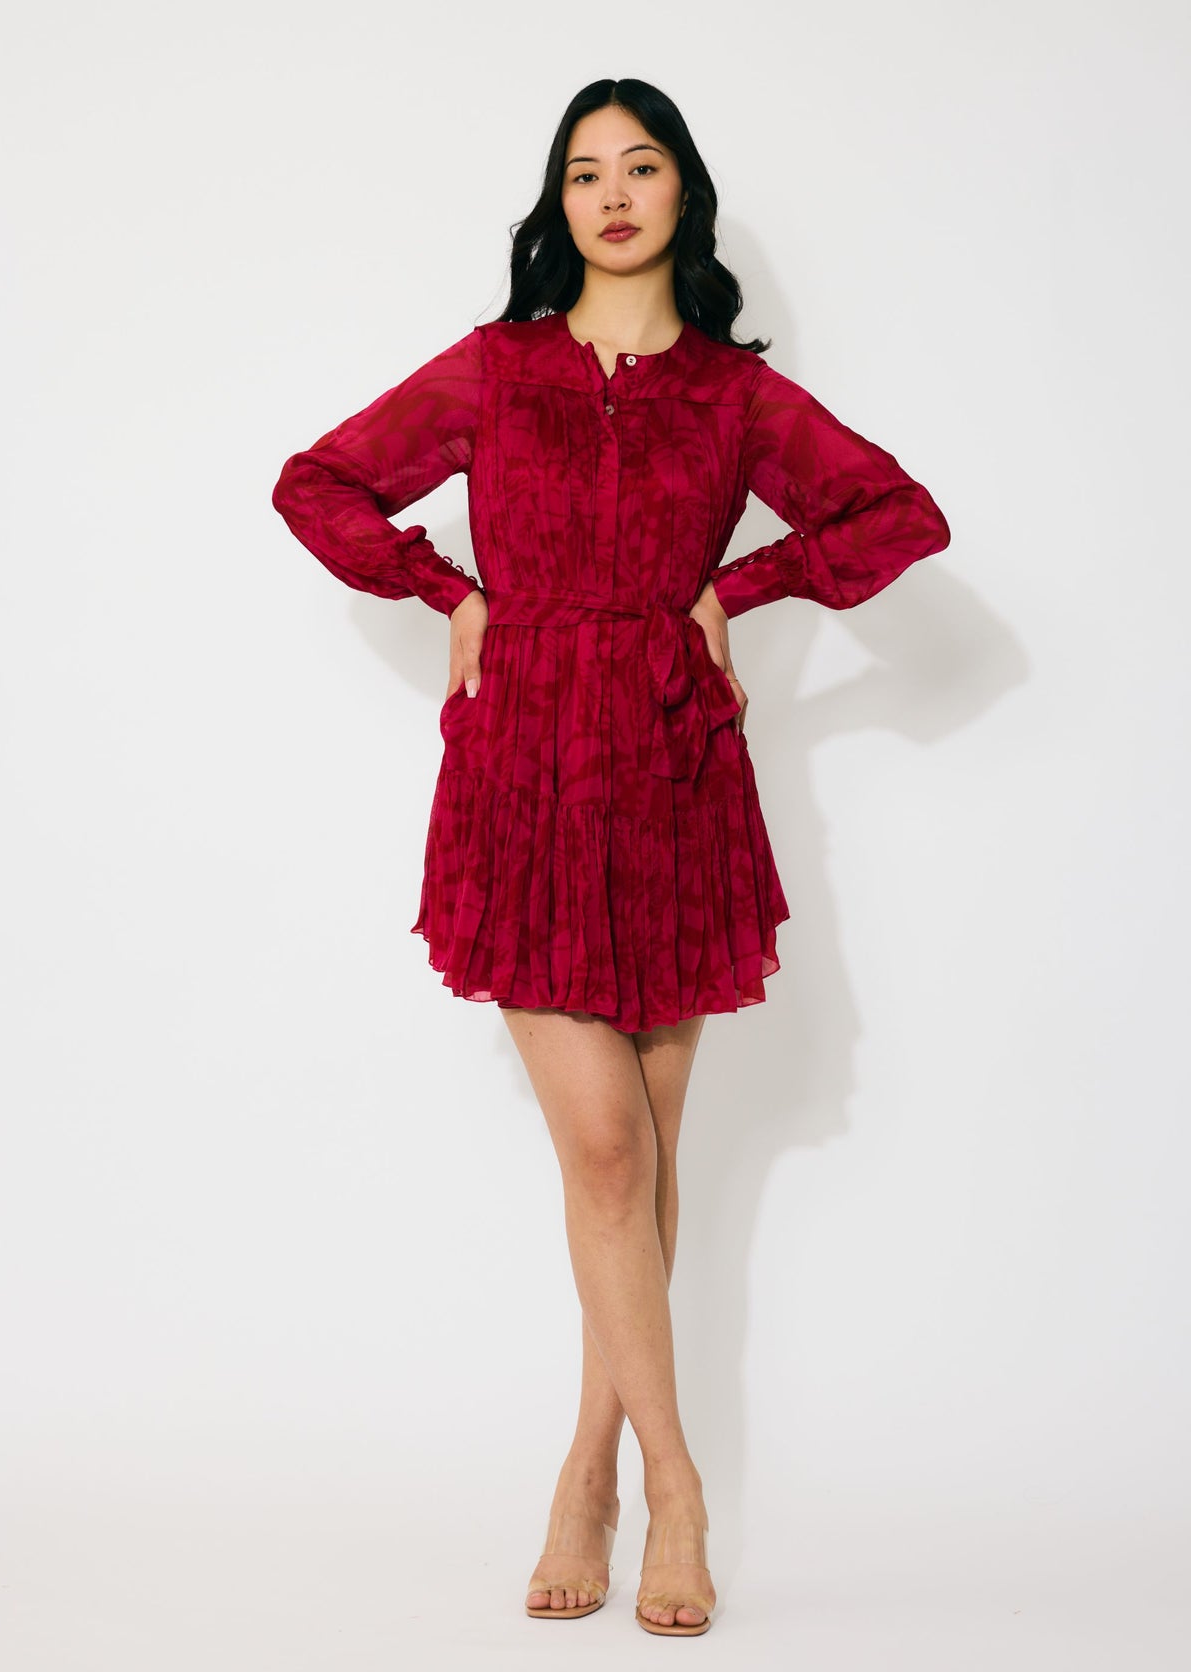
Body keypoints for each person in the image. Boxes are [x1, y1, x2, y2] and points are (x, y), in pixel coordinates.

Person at [271, 77, 950, 1636]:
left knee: (640, 1159)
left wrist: (742, 587)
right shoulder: (495, 371)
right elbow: (320, 483)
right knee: (606, 1153)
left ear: (684, 193)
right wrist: (450, 591)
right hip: (522, 773)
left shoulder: (734, 396)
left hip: (674, 778)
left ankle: (586, 1474)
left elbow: (899, 515)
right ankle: (680, 1488)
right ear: (558, 204)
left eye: (642, 167)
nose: (615, 194)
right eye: (586, 173)